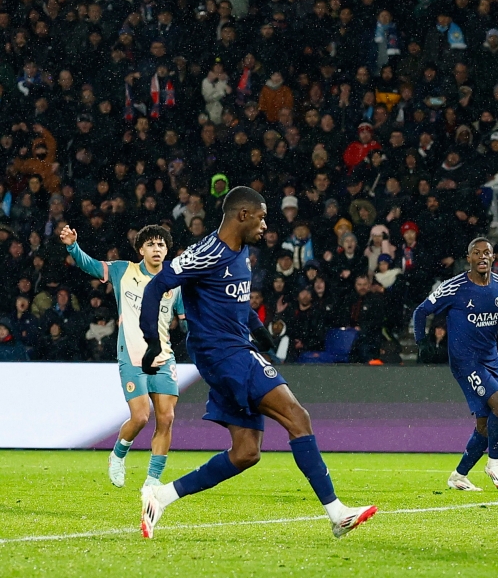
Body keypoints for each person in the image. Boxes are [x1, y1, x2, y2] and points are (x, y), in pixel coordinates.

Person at [137, 187, 376, 539]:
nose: (266, 223)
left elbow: (237, 304)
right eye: (262, 216)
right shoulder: (207, 252)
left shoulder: (241, 254)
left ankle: (161, 495)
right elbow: (157, 286)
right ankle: (337, 513)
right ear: (242, 215)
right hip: (224, 355)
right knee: (299, 417)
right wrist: (152, 341)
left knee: (247, 452)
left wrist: (261, 335)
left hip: (234, 352)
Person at [60, 224, 183, 489]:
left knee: (167, 418)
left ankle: (152, 480)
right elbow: (90, 265)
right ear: (141, 249)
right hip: (132, 355)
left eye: (161, 244)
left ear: (167, 249)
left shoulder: (176, 281)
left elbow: (186, 320)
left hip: (163, 357)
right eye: (151, 244)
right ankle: (117, 455)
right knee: (140, 417)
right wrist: (73, 245)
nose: (157, 249)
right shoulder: (122, 270)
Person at [412, 237, 498, 492]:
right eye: (476, 253)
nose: (482, 257)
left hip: (490, 359)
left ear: (493, 258)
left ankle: (459, 475)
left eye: (486, 253)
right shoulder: (454, 287)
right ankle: (495, 462)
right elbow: (421, 311)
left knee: (484, 425)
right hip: (465, 361)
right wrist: (422, 342)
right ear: (469, 258)